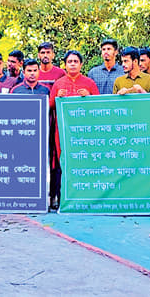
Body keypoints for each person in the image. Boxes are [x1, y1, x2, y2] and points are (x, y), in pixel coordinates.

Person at [49, 50, 99, 210]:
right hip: (62, 132)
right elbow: (49, 106)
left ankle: (85, 198)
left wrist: (89, 97)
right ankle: (59, 198)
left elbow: (99, 105)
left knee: (83, 162)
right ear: (65, 65)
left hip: (84, 132)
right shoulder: (59, 84)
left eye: (75, 61)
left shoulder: (89, 83)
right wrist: (58, 98)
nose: (72, 64)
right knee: (61, 163)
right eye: (69, 62)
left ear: (81, 64)